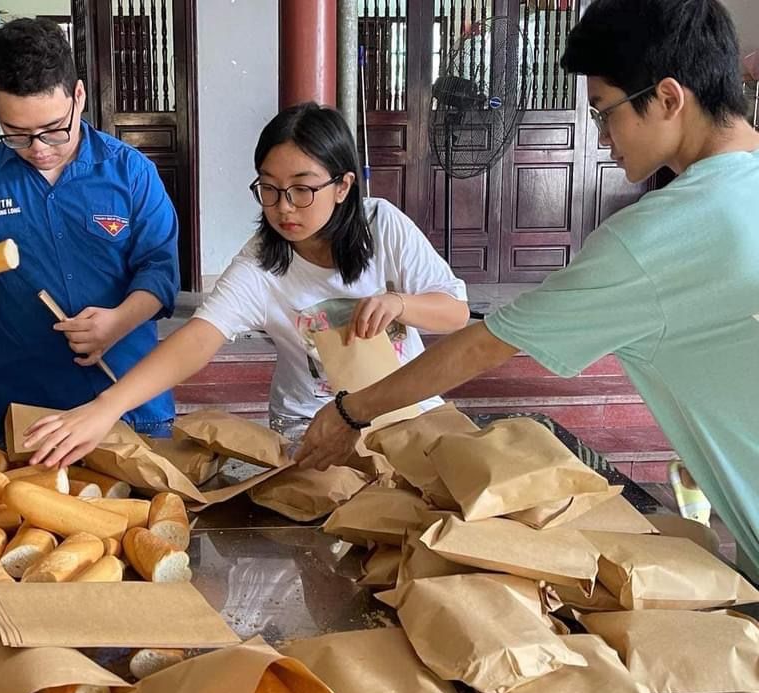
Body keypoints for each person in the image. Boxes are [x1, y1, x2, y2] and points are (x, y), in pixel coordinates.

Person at [294, 0, 759, 579]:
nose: (603, 137)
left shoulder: (660, 237)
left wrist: (351, 411)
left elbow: (486, 344)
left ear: (668, 99)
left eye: (604, 112)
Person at [24, 102, 470, 465]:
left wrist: (400, 304)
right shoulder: (261, 263)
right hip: (312, 424)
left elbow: (455, 312)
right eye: (269, 189)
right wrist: (107, 407)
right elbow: (199, 337)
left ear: (342, 186)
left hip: (407, 412)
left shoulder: (383, 226)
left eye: (301, 190)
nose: (284, 207)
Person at [0, 18, 180, 443]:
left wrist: (119, 322)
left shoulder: (130, 173)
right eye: (16, 134)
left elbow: (160, 271)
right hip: (29, 402)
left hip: (130, 399)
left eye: (53, 130)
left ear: (78, 96)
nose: (38, 148)